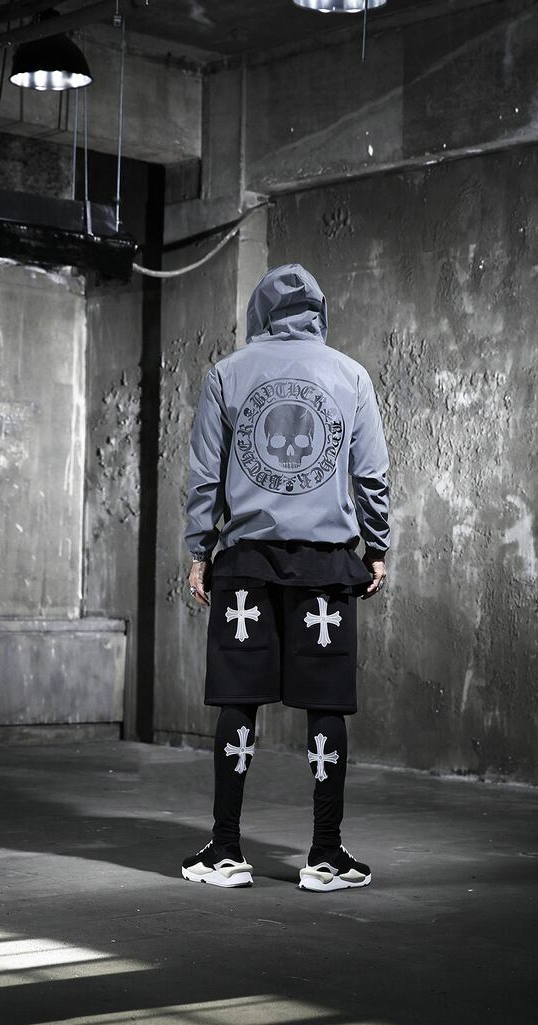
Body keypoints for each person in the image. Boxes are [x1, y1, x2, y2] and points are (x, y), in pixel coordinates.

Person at [181, 262, 390, 892]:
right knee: (325, 704)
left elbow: (206, 474)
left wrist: (199, 550)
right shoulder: (351, 375)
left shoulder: (227, 373)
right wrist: (376, 546)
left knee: (238, 699)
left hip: (246, 562)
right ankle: (325, 855)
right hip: (326, 565)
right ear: (318, 311)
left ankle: (225, 850)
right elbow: (371, 473)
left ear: (259, 312)